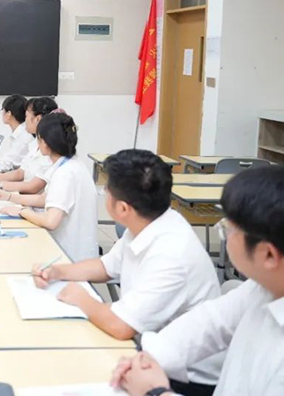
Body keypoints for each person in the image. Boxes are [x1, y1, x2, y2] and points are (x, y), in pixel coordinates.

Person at [32, 149, 222, 395]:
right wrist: (58, 271)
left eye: (107, 190)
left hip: (183, 379)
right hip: (149, 349)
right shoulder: (148, 221)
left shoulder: (172, 254)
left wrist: (82, 299)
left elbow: (121, 326)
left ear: (122, 208)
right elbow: (106, 266)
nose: (104, 193)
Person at [111, 166, 284, 396]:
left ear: (268, 255)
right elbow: (211, 322)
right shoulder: (263, 287)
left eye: (229, 229)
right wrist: (146, 358)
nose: (225, 234)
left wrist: (155, 392)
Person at [0, 112, 98, 262]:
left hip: (68, 257)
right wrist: (8, 196)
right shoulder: (71, 163)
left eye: (39, 139)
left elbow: (50, 221)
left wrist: (22, 211)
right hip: (73, 250)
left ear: (45, 143)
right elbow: (44, 199)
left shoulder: (65, 174)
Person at [0, 96, 58, 194]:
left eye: (26, 116)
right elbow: (20, 173)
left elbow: (32, 187)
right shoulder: (35, 144)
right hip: (23, 195)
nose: (24, 121)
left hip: (29, 199)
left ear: (37, 119)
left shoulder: (48, 151)